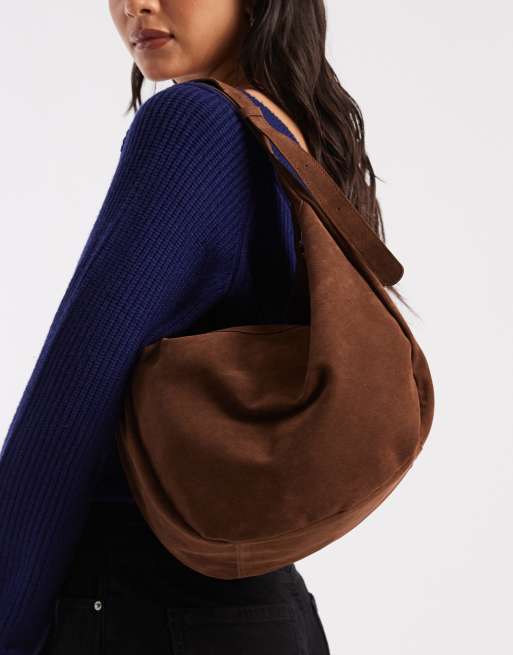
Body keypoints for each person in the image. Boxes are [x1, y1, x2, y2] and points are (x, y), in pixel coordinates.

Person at [0, 1, 392, 653]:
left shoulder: (193, 121)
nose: (137, 5)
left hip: (140, 614)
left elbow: (74, 393)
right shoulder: (294, 135)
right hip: (263, 611)